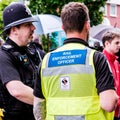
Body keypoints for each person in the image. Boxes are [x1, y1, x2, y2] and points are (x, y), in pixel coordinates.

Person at [33, 2, 118, 120]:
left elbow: (38, 108)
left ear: (63, 27)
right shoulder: (96, 58)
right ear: (87, 25)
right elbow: (108, 104)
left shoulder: (46, 60)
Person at [0, 2, 45, 120]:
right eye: (28, 24)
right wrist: (48, 102)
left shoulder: (32, 51)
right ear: (14, 29)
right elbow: (17, 90)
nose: (33, 28)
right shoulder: (3, 56)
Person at [102, 29, 120, 120]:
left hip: (116, 110)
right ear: (107, 44)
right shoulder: (101, 62)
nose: (119, 46)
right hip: (106, 111)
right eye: (116, 43)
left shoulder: (116, 62)